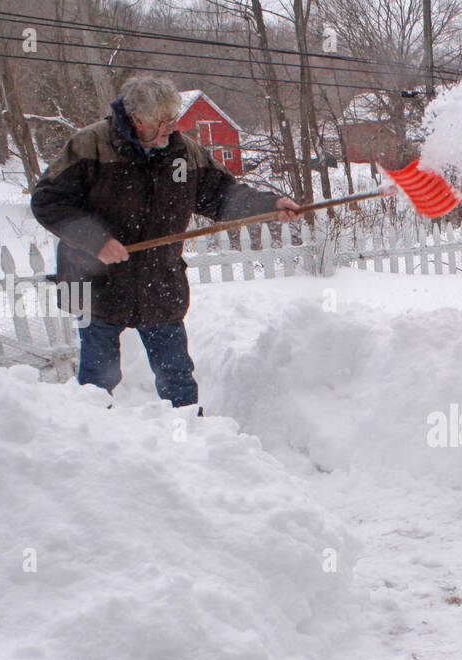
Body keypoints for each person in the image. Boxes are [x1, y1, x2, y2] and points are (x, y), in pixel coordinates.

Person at [31, 74, 300, 410]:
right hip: (96, 280)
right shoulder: (91, 147)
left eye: (173, 120)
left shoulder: (182, 153)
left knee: (176, 375)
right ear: (136, 119)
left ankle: (189, 434)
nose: (170, 128)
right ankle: (96, 438)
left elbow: (222, 195)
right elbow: (48, 200)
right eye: (162, 122)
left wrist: (269, 206)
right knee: (98, 376)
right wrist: (97, 241)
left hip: (159, 281)